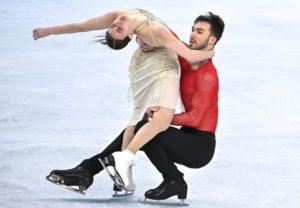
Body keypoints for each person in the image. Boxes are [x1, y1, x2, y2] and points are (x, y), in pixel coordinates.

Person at [43, 11, 224, 202]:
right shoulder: (187, 56)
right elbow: (163, 33)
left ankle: (174, 180)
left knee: (146, 129)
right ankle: (87, 171)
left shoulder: (207, 76)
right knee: (144, 129)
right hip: (187, 137)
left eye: (200, 32)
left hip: (200, 148)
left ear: (212, 40)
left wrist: (163, 115)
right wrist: (143, 37)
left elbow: (196, 118)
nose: (193, 34)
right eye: (193, 29)